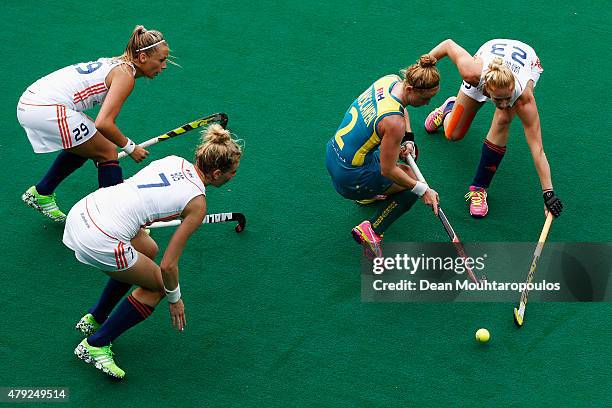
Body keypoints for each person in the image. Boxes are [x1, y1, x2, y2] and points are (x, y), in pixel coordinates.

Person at [64, 124, 242, 379]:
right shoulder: (197, 203)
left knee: (147, 248)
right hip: (99, 237)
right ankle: (96, 344)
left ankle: (97, 316)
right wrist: (175, 298)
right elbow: (169, 265)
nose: (233, 177)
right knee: (160, 286)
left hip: (85, 209)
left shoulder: (174, 160)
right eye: (232, 172)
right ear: (215, 173)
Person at [18, 25, 170, 222]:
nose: (164, 66)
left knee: (89, 144)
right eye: (161, 60)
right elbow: (104, 123)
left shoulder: (119, 64)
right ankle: (113, 221)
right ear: (143, 58)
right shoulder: (125, 76)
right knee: (107, 150)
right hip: (43, 107)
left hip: (35, 102)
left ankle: (42, 192)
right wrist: (131, 148)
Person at [424, 39, 563, 219]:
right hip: (490, 54)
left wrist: (548, 193)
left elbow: (538, 149)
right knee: (453, 134)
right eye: (498, 100)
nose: (504, 103)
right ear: (487, 91)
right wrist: (424, 63)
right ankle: (449, 108)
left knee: (503, 118)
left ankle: (479, 188)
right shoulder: (473, 73)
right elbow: (448, 45)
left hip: (527, 60)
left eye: (507, 98)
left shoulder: (523, 99)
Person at [326, 56, 441, 258]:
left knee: (398, 156)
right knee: (410, 180)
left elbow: (400, 108)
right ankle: (372, 230)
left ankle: (369, 195)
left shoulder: (390, 81)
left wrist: (409, 139)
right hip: (350, 178)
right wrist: (423, 190)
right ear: (410, 90)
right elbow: (388, 170)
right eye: (425, 99)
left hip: (333, 154)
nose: (428, 104)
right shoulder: (393, 123)